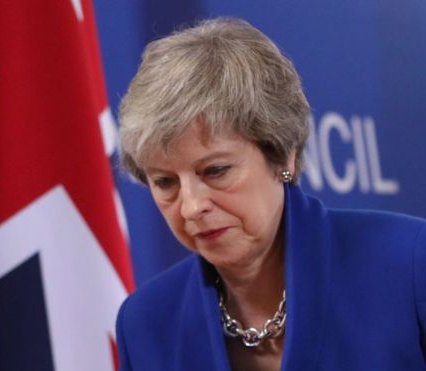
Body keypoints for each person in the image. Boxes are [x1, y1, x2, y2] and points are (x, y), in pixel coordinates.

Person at [115, 17, 426, 371]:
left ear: (283, 155)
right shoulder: (145, 323)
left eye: (216, 171)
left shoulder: (410, 264)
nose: (191, 206)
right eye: (165, 182)